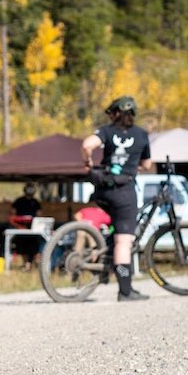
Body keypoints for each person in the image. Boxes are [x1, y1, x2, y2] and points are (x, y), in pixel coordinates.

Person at [81, 95, 153, 301]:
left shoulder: (106, 131)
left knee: (116, 233)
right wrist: (131, 165)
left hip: (102, 190)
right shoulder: (141, 134)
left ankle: (106, 256)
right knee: (124, 241)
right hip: (124, 191)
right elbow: (147, 165)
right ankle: (125, 290)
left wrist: (87, 162)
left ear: (115, 113)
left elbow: (87, 145)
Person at [10, 183, 43, 269]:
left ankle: (33, 263)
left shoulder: (35, 202)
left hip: (33, 228)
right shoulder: (19, 201)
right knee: (21, 244)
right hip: (20, 228)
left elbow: (39, 215)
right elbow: (13, 214)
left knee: (34, 244)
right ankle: (26, 264)